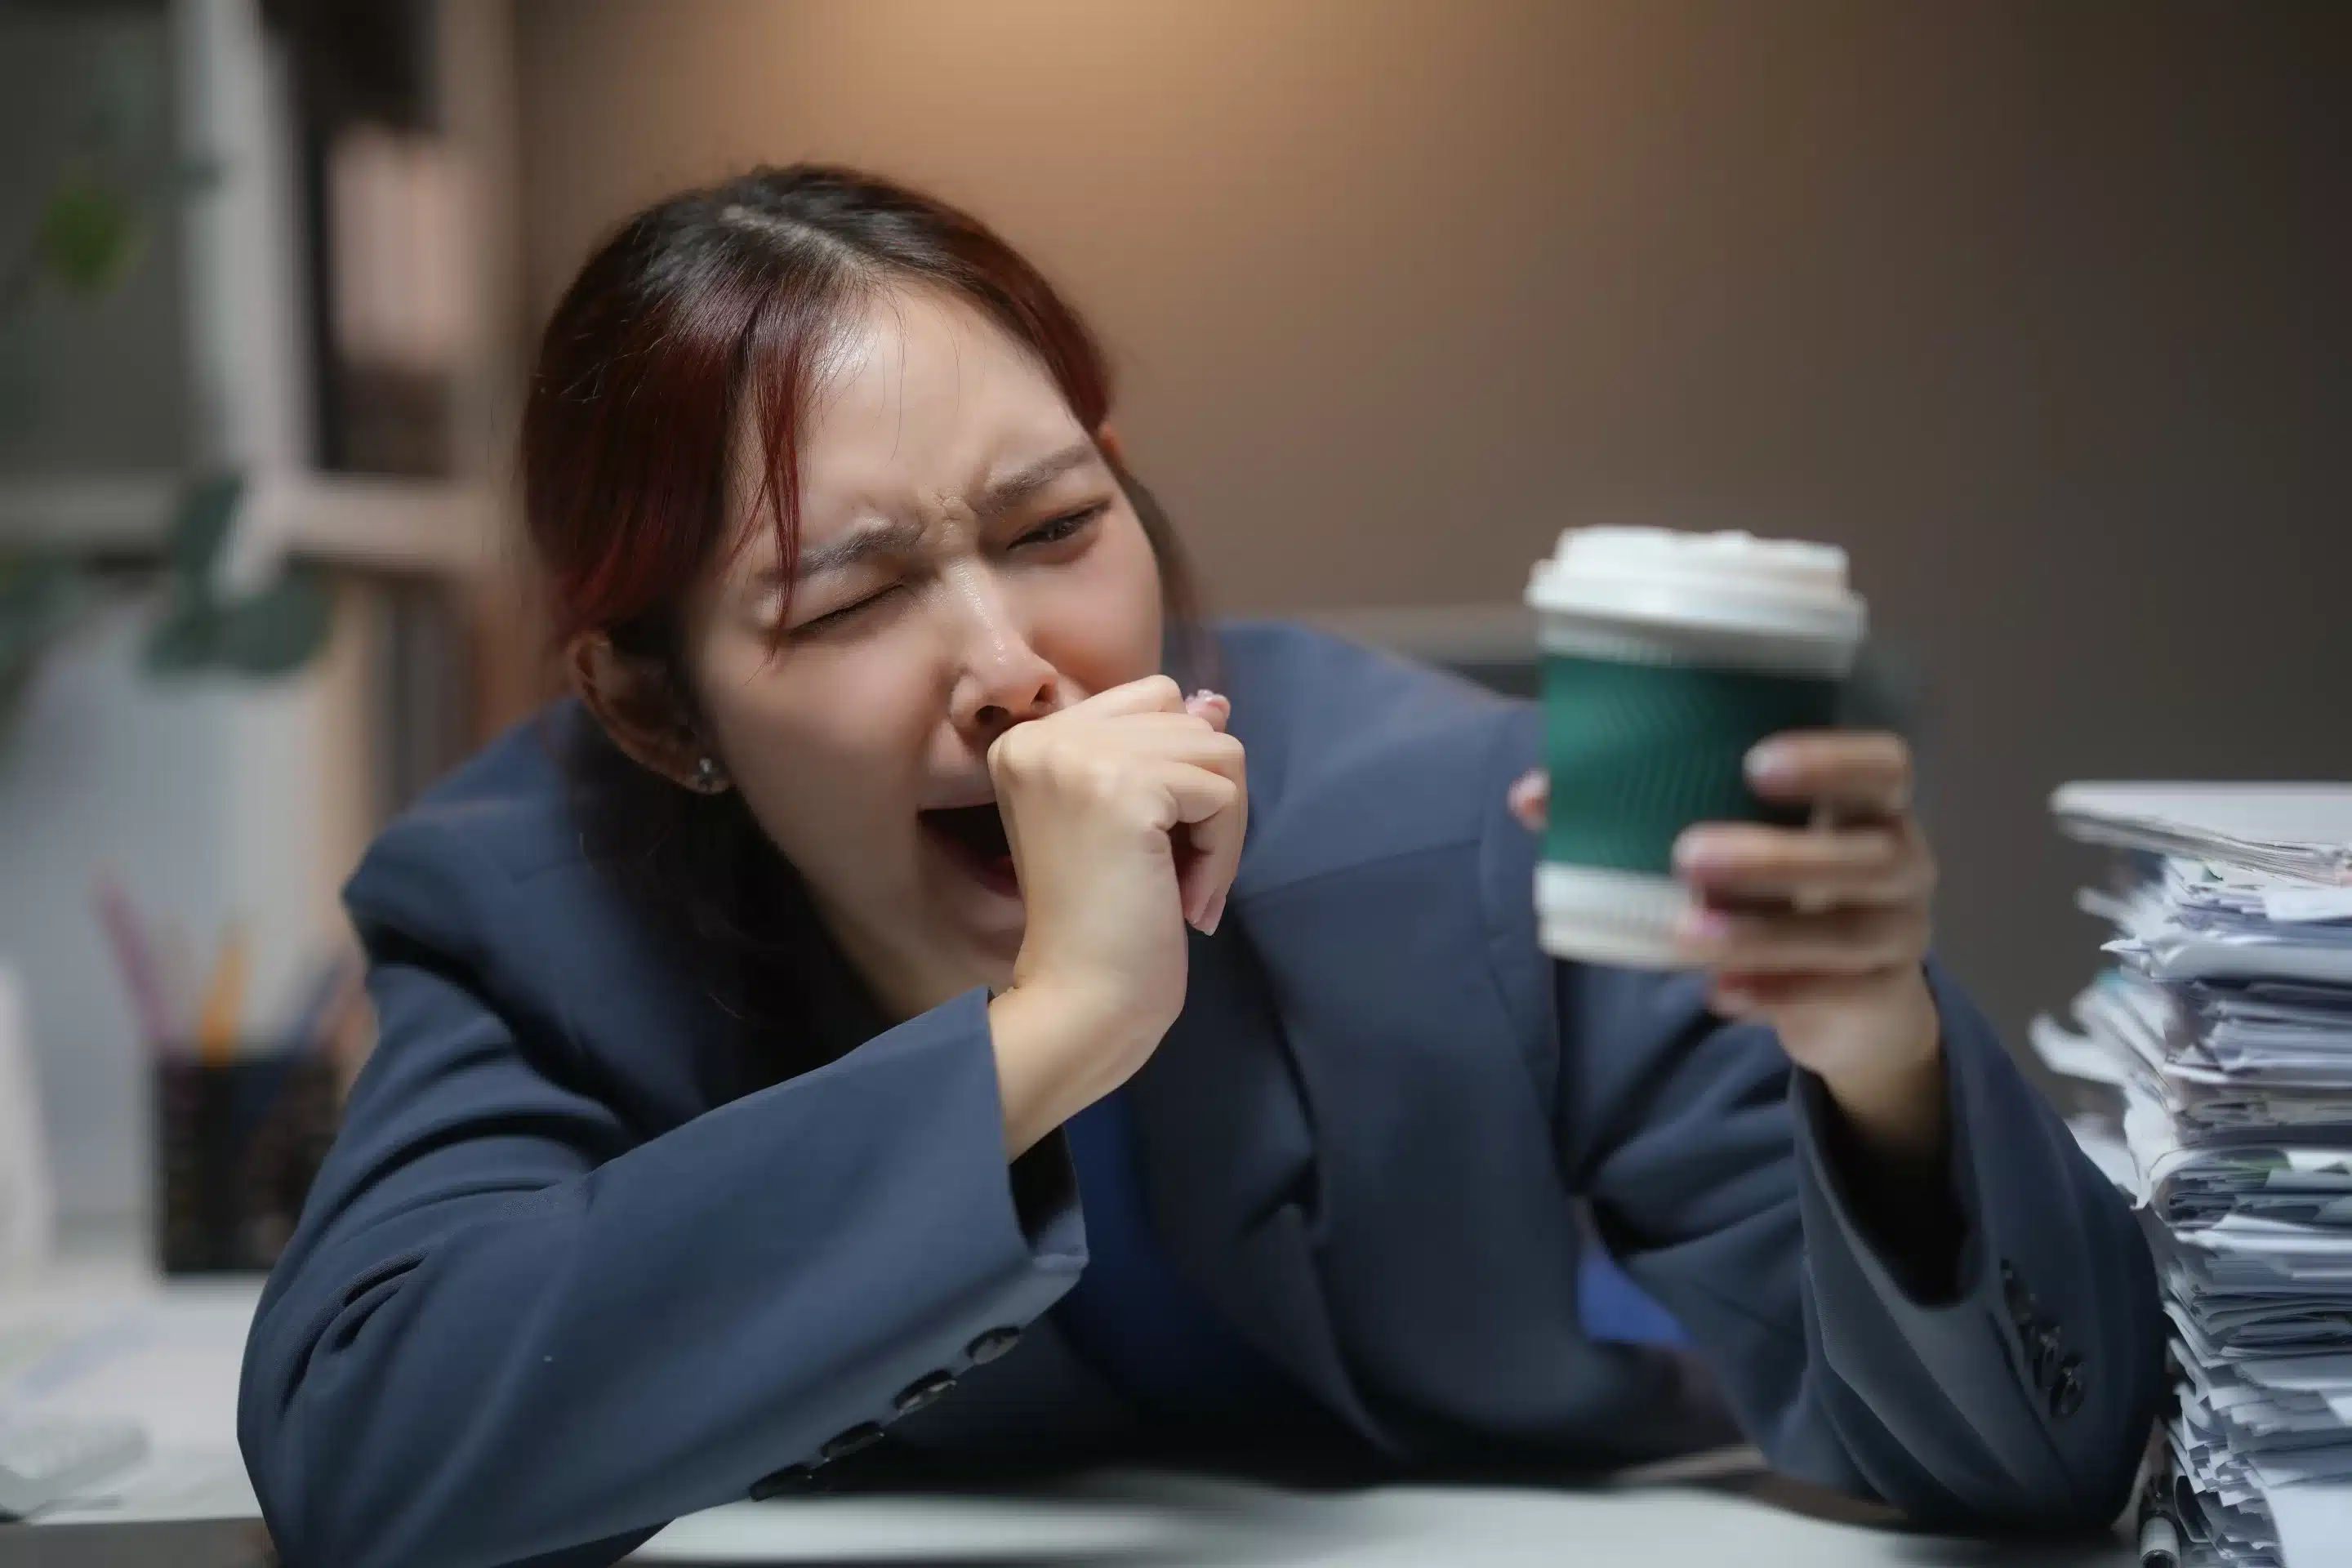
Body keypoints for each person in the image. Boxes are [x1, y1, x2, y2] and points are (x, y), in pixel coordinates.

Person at [237, 165, 2162, 1568]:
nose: (1016, 668)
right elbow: (369, 1458)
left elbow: (2039, 1468)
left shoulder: (1476, 835)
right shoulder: (529, 906)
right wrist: (1047, 1034)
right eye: (853, 594)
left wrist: (1883, 1059)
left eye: (1057, 521)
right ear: (656, 713)